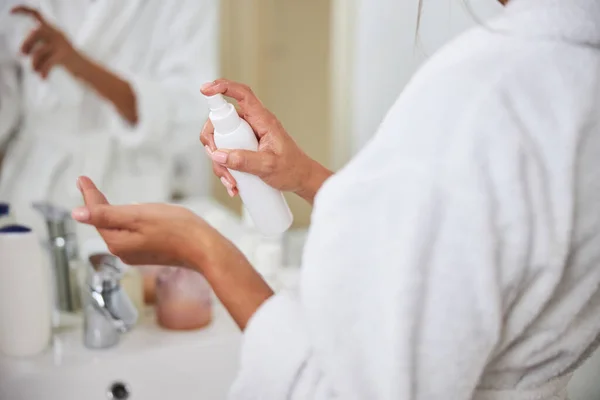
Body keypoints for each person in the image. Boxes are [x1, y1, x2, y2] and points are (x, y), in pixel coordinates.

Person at [71, 0, 600, 398]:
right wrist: (301, 175)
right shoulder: (574, 74)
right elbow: (472, 245)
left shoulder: (482, 96)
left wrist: (204, 249)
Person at [0, 1, 218, 236]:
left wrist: (80, 65)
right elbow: (9, 100)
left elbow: (187, 111)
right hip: (30, 182)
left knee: (120, 270)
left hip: (123, 188)